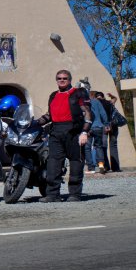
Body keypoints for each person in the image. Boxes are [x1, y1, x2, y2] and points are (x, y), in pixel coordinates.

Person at [36, 70, 92, 202]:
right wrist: (33, 123)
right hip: (56, 132)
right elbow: (49, 115)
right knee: (53, 164)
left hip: (74, 131)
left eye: (65, 78)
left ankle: (75, 194)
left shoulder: (78, 93)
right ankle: (52, 195)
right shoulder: (53, 95)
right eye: (59, 78)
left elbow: (88, 114)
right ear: (56, 80)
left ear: (70, 80)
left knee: (76, 163)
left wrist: (84, 132)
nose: (62, 80)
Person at [85, 93, 109, 174]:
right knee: (99, 146)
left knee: (87, 147)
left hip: (88, 127)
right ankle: (101, 165)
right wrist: (106, 124)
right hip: (98, 126)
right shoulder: (96, 101)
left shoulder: (82, 102)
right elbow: (103, 113)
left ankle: (91, 167)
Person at [100, 92, 122, 172]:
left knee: (103, 146)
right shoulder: (109, 102)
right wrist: (111, 96)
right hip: (114, 125)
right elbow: (115, 99)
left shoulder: (97, 104)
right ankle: (116, 168)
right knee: (113, 145)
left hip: (104, 126)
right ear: (103, 97)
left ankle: (106, 166)